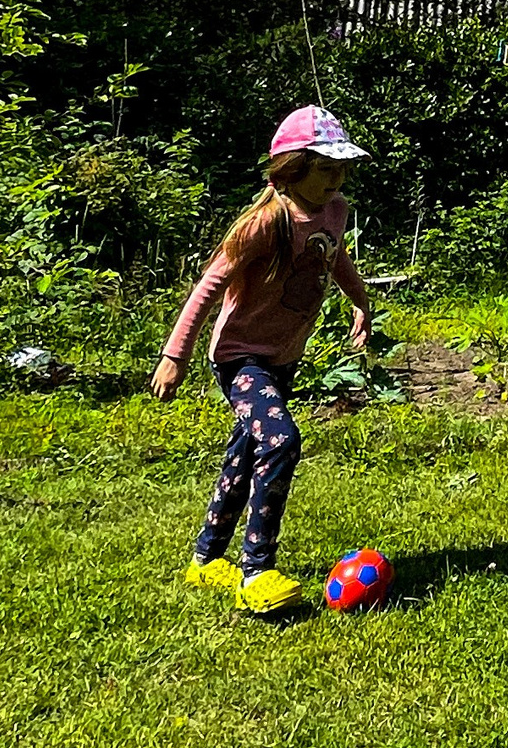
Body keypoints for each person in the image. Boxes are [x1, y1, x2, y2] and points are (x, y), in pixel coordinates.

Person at [151, 103, 374, 617]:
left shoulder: (334, 211)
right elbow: (208, 288)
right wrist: (174, 357)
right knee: (279, 440)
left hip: (283, 357)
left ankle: (206, 559)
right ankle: (257, 570)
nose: (337, 179)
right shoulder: (262, 223)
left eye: (342, 168)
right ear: (291, 169)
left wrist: (360, 303)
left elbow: (334, 257)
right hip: (239, 356)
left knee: (246, 452)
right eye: (325, 169)